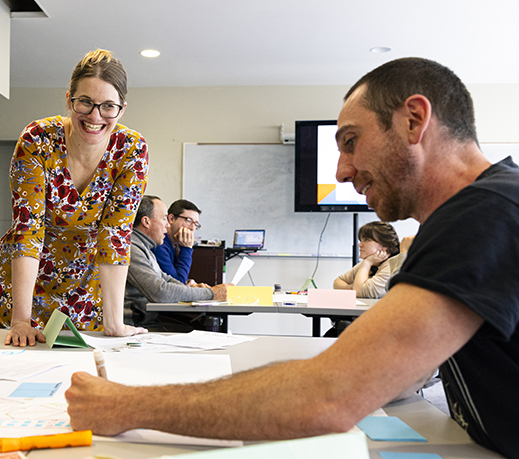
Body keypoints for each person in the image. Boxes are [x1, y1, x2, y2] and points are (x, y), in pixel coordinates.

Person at [65, 57, 519, 457]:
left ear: (414, 121)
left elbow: (329, 397)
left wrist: (124, 405)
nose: (341, 170)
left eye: (351, 141)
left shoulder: (484, 216)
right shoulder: (474, 216)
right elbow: (396, 375)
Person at [0, 49, 149, 346]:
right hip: (18, 291)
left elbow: (115, 236)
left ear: (122, 109)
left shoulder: (131, 150)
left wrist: (115, 321)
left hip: (83, 291)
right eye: (85, 102)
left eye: (108, 106)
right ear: (69, 99)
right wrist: (20, 320)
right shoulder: (37, 139)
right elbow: (28, 229)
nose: (95, 116)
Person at [125, 196, 229, 329]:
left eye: (195, 224)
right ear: (146, 221)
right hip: (137, 325)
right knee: (198, 332)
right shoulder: (132, 249)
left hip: (146, 321)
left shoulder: (145, 247)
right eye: (164, 218)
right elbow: (161, 292)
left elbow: (167, 280)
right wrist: (212, 294)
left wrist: (196, 290)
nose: (167, 224)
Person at [334, 221, 405, 299]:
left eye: (366, 240)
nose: (359, 245)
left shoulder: (392, 265)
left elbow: (360, 292)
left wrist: (367, 263)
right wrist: (353, 287)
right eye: (360, 240)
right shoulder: (371, 261)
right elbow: (337, 282)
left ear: (385, 245)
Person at [152, 199, 202, 283]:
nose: (192, 228)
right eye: (188, 221)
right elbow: (177, 283)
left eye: (196, 224)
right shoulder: (159, 243)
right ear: (171, 219)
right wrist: (187, 249)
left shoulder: (177, 244)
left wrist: (187, 282)